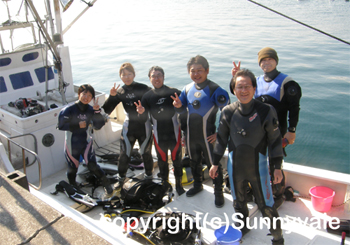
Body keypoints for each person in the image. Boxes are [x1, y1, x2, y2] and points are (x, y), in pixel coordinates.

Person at [209, 69, 284, 245]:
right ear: (234, 90)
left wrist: (277, 167)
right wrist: (214, 163)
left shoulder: (266, 111)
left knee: (267, 206)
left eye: (247, 86)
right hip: (235, 168)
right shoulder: (228, 111)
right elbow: (221, 139)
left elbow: (275, 141)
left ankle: (278, 238)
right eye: (239, 87)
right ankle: (243, 227)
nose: (243, 90)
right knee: (238, 202)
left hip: (259, 169)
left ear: (254, 88)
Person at [232, 47, 302, 208]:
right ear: (259, 63)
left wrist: (292, 131)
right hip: (257, 131)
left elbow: (294, 108)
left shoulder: (287, 82)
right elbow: (243, 96)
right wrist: (236, 77)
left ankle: (277, 196)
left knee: (275, 163)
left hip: (277, 131)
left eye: (270, 59)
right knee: (257, 161)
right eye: (263, 60)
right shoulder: (256, 81)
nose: (266, 62)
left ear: (276, 61)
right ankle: (260, 191)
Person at [172, 55, 230, 208]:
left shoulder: (216, 90)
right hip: (191, 136)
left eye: (199, 70)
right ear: (188, 72)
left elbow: (228, 114)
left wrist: (219, 134)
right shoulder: (186, 89)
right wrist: (177, 105)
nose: (196, 74)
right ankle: (198, 184)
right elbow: (182, 110)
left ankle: (218, 191)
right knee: (194, 161)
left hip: (208, 137)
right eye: (193, 71)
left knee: (214, 163)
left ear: (207, 70)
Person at [135, 66, 185, 195]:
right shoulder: (147, 97)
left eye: (159, 75)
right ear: (150, 79)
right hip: (159, 136)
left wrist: (180, 106)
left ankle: (179, 185)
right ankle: (165, 184)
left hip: (174, 134)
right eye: (153, 76)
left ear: (163, 77)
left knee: (177, 160)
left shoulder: (174, 92)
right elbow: (143, 119)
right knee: (162, 161)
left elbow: (184, 110)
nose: (156, 78)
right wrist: (141, 113)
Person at [102, 63, 153, 189]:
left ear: (134, 75)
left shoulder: (143, 88)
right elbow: (107, 109)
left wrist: (145, 111)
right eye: (123, 75)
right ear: (120, 76)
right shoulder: (120, 91)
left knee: (145, 153)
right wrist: (112, 97)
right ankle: (121, 179)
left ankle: (149, 177)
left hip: (144, 125)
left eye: (129, 74)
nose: (127, 77)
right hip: (129, 126)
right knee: (124, 154)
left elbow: (154, 102)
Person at [57, 84, 113, 197]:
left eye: (89, 95)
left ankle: (106, 183)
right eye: (84, 94)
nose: (86, 97)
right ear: (79, 94)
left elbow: (98, 125)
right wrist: (77, 125)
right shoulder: (69, 110)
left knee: (92, 165)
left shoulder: (91, 110)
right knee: (73, 167)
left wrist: (97, 112)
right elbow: (61, 125)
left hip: (86, 142)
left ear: (92, 98)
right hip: (72, 144)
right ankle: (73, 184)